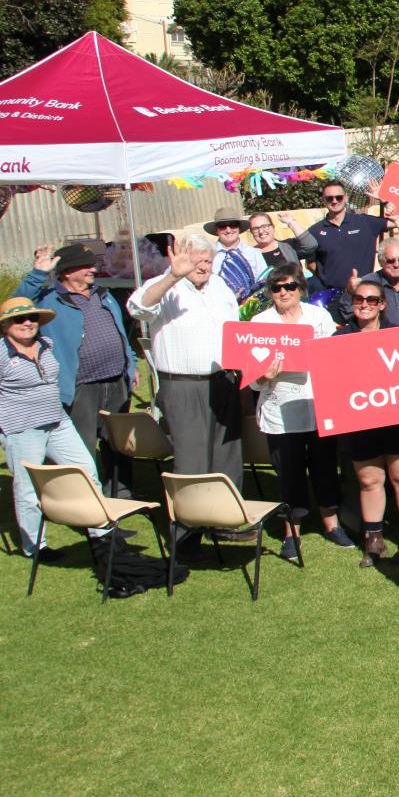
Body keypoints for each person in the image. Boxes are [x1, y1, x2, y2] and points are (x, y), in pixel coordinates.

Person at [128, 234, 242, 555]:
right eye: (196, 260)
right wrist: (173, 276)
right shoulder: (166, 286)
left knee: (226, 454)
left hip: (224, 380)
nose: (202, 266)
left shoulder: (220, 287)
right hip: (183, 384)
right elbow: (137, 307)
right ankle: (187, 531)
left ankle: (226, 522)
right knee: (191, 459)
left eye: (208, 260)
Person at [21, 244, 138, 501]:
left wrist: (130, 363)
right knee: (81, 446)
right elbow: (16, 304)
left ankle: (120, 494)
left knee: (118, 443)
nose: (93, 269)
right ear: (66, 271)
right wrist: (38, 274)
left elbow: (120, 332)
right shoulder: (48, 299)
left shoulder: (103, 294)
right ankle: (79, 501)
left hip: (116, 380)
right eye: (85, 266)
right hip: (80, 385)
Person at [0, 296, 106, 563]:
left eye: (32, 318)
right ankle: (35, 546)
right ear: (5, 325)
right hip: (22, 428)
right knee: (28, 487)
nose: (27, 323)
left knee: (86, 469)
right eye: (19, 319)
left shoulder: (46, 344)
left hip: (58, 421)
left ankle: (100, 530)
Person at [249, 267, 346, 557]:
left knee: (325, 466)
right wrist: (264, 375)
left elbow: (334, 356)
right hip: (279, 411)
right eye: (277, 288)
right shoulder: (260, 322)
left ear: (301, 289)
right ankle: (292, 531)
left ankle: (332, 524)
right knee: (289, 473)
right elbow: (252, 379)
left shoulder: (318, 317)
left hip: (318, 405)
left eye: (290, 287)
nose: (284, 293)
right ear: (270, 292)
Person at [337, 279, 399, 565]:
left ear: (382, 305)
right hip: (359, 420)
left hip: (397, 419)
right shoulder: (338, 340)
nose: (364, 304)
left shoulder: (397, 335)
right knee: (369, 480)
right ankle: (373, 540)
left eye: (372, 300)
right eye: (359, 299)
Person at [296, 180, 384, 297]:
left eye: (339, 197)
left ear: (345, 198)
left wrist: (384, 200)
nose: (334, 201)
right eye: (329, 198)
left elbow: (395, 220)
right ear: (323, 200)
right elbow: (311, 264)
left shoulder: (364, 222)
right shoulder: (315, 231)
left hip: (363, 294)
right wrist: (329, 278)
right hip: (332, 296)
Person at [204, 207, 267, 299]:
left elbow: (264, 282)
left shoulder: (254, 253)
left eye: (233, 225)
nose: (228, 230)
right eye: (222, 226)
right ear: (216, 230)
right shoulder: (207, 254)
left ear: (239, 228)